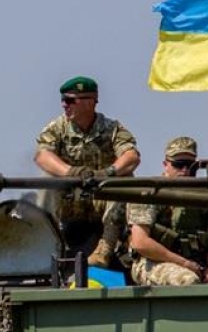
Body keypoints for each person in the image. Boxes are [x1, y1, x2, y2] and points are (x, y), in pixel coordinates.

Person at [35, 75, 140, 268]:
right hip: (70, 199)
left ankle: (105, 248)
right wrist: (71, 172)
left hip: (101, 198)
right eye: (63, 100)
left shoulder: (112, 129)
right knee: (48, 178)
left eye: (70, 100)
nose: (64, 105)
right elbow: (42, 156)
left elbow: (131, 157)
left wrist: (107, 173)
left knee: (125, 178)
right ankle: (47, 245)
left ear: (90, 101)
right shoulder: (57, 128)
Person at [127, 136, 208, 285]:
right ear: (166, 165)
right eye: (178, 164)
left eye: (190, 165)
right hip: (152, 262)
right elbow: (141, 243)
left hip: (196, 263)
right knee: (188, 280)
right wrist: (184, 263)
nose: (185, 170)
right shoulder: (150, 194)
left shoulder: (200, 196)